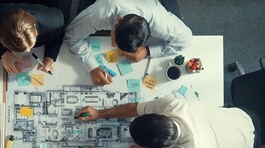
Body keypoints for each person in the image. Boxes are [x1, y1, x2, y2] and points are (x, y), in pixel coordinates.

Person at [76, 97, 261, 148]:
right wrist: (100, 113)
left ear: (159, 147)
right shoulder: (173, 106)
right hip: (244, 116)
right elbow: (135, 108)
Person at [64, 0, 192, 86]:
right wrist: (92, 68)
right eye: (114, 40)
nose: (114, 46)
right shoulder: (100, 13)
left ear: (149, 30)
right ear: (117, 21)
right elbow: (71, 35)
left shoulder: (159, 22)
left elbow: (186, 40)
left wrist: (148, 51)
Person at [0, 2, 65, 74]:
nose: (28, 51)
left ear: (36, 31)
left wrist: (49, 57)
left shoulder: (55, 22)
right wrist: (3, 53)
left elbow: (59, 33)